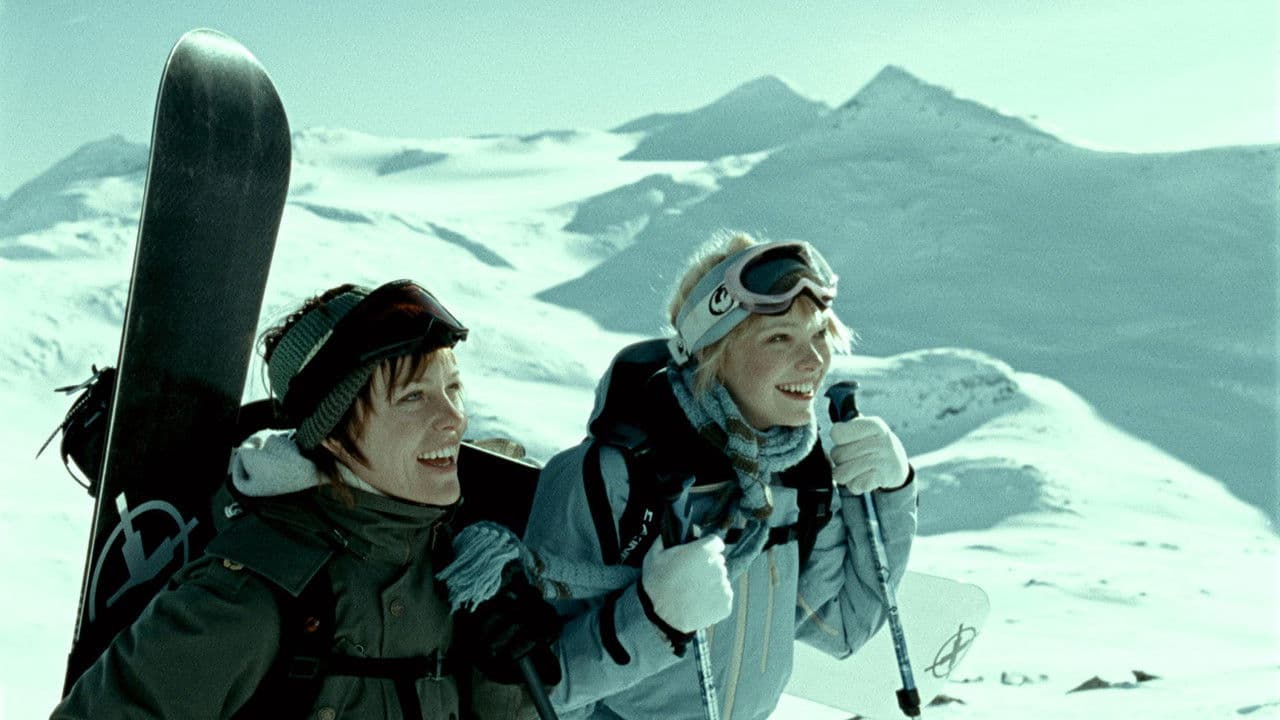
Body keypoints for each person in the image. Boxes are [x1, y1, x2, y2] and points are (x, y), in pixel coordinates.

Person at [52, 279, 560, 719]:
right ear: (332, 436)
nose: (453, 419)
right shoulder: (247, 601)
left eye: (453, 388)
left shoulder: (460, 577)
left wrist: (501, 677)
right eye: (413, 397)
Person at [522, 233, 918, 720]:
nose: (814, 361)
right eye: (779, 338)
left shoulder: (796, 475)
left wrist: (890, 492)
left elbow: (842, 626)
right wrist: (652, 621)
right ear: (713, 351)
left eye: (819, 334)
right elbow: (534, 690)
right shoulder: (611, 479)